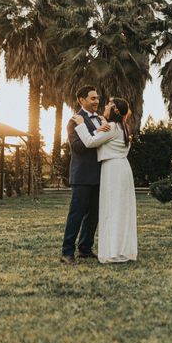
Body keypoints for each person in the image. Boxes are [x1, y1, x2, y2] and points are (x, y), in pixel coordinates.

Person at [72, 97, 137, 264]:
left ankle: (113, 252)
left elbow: (90, 141)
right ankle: (123, 250)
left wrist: (80, 124)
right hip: (123, 168)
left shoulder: (112, 127)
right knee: (122, 211)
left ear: (115, 110)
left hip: (113, 169)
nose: (105, 106)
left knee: (112, 210)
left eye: (109, 104)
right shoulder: (123, 127)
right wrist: (102, 121)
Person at [60, 85, 110, 265]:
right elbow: (78, 147)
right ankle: (67, 252)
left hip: (100, 174)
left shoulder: (100, 119)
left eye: (97, 98)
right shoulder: (74, 121)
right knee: (77, 214)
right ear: (82, 100)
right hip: (82, 175)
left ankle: (85, 248)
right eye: (92, 98)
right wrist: (96, 134)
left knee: (94, 214)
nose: (96, 101)